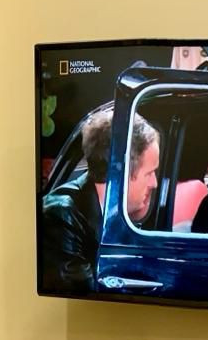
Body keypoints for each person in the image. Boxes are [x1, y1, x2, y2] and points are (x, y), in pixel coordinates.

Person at [41, 109, 159, 293]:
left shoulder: (120, 216)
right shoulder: (60, 217)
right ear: (120, 174)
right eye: (149, 173)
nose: (154, 183)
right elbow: (84, 296)